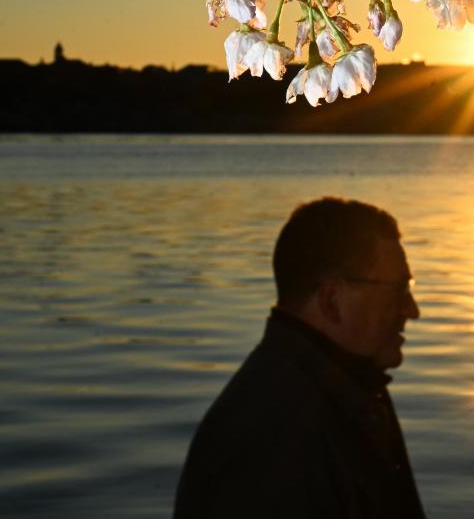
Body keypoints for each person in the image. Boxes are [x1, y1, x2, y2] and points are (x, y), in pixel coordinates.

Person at [174, 197, 425, 519]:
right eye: (398, 291)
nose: (412, 310)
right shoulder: (272, 439)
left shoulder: (352, 391)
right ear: (332, 300)